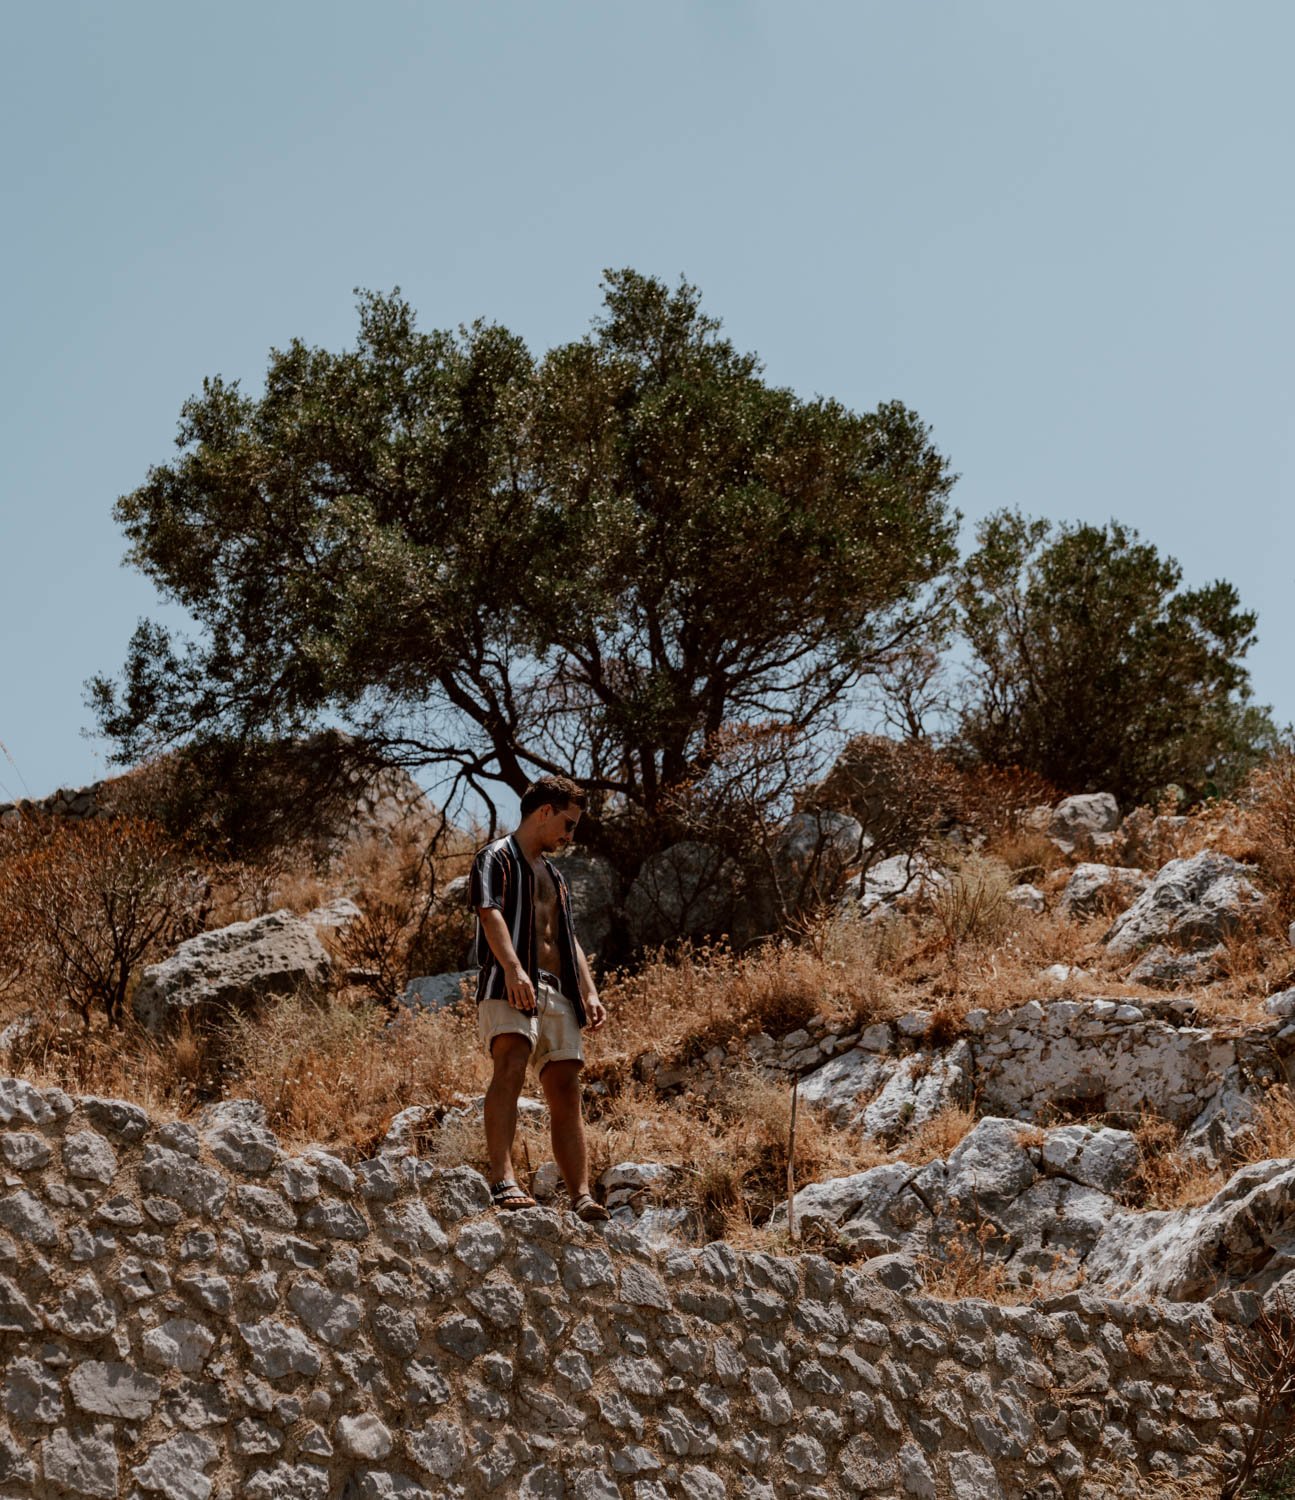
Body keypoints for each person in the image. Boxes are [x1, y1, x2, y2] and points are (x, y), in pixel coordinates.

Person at [469, 774, 610, 1219]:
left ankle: (582, 1195)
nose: (570, 836)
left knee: (566, 1089)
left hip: (557, 992)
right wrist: (513, 969)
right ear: (544, 812)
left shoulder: (555, 876)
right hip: (509, 982)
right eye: (568, 824)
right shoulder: (496, 857)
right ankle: (503, 1179)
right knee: (509, 1066)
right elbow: (489, 913)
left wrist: (588, 992)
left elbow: (567, 937)